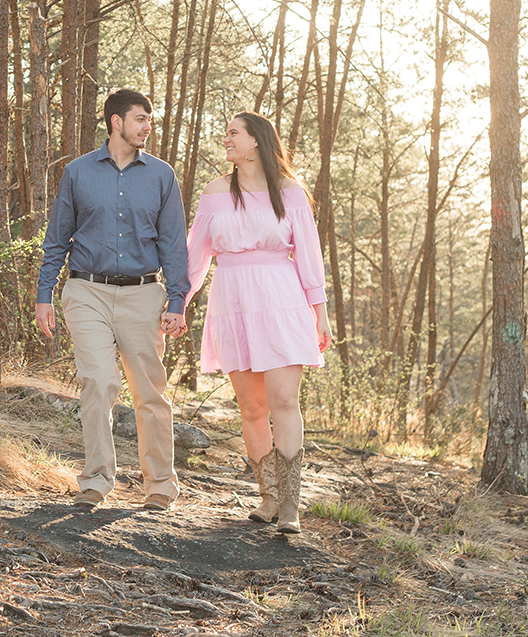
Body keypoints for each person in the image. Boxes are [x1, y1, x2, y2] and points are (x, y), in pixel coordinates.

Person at [36, 89, 189, 512]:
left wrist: (177, 300)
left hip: (144, 294)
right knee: (98, 381)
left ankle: (160, 486)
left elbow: (175, 244)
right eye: (141, 119)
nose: (148, 126)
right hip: (87, 291)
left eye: (150, 119)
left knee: (149, 393)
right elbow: (57, 238)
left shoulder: (162, 176)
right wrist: (43, 294)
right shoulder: (78, 172)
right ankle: (96, 481)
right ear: (116, 122)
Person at [185, 111, 332, 534]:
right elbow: (196, 254)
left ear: (256, 141)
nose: (226, 139)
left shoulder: (289, 191)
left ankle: (290, 503)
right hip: (231, 299)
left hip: (281, 298)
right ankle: (267, 497)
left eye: (234, 133)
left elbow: (308, 254)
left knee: (284, 400)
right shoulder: (215, 192)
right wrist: (179, 301)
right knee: (251, 406)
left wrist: (319, 311)